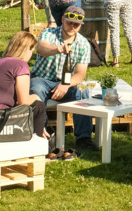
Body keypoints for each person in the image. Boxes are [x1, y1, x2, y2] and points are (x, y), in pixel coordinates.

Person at [28, 9, 94, 154]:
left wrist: (65, 84)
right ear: (63, 20)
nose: (72, 27)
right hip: (42, 78)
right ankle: (42, 132)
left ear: (80, 26)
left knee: (83, 92)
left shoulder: (83, 44)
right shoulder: (49, 33)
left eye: (76, 25)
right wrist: (57, 49)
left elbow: (80, 74)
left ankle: (84, 138)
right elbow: (40, 48)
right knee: (36, 88)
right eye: (69, 23)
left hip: (65, 82)